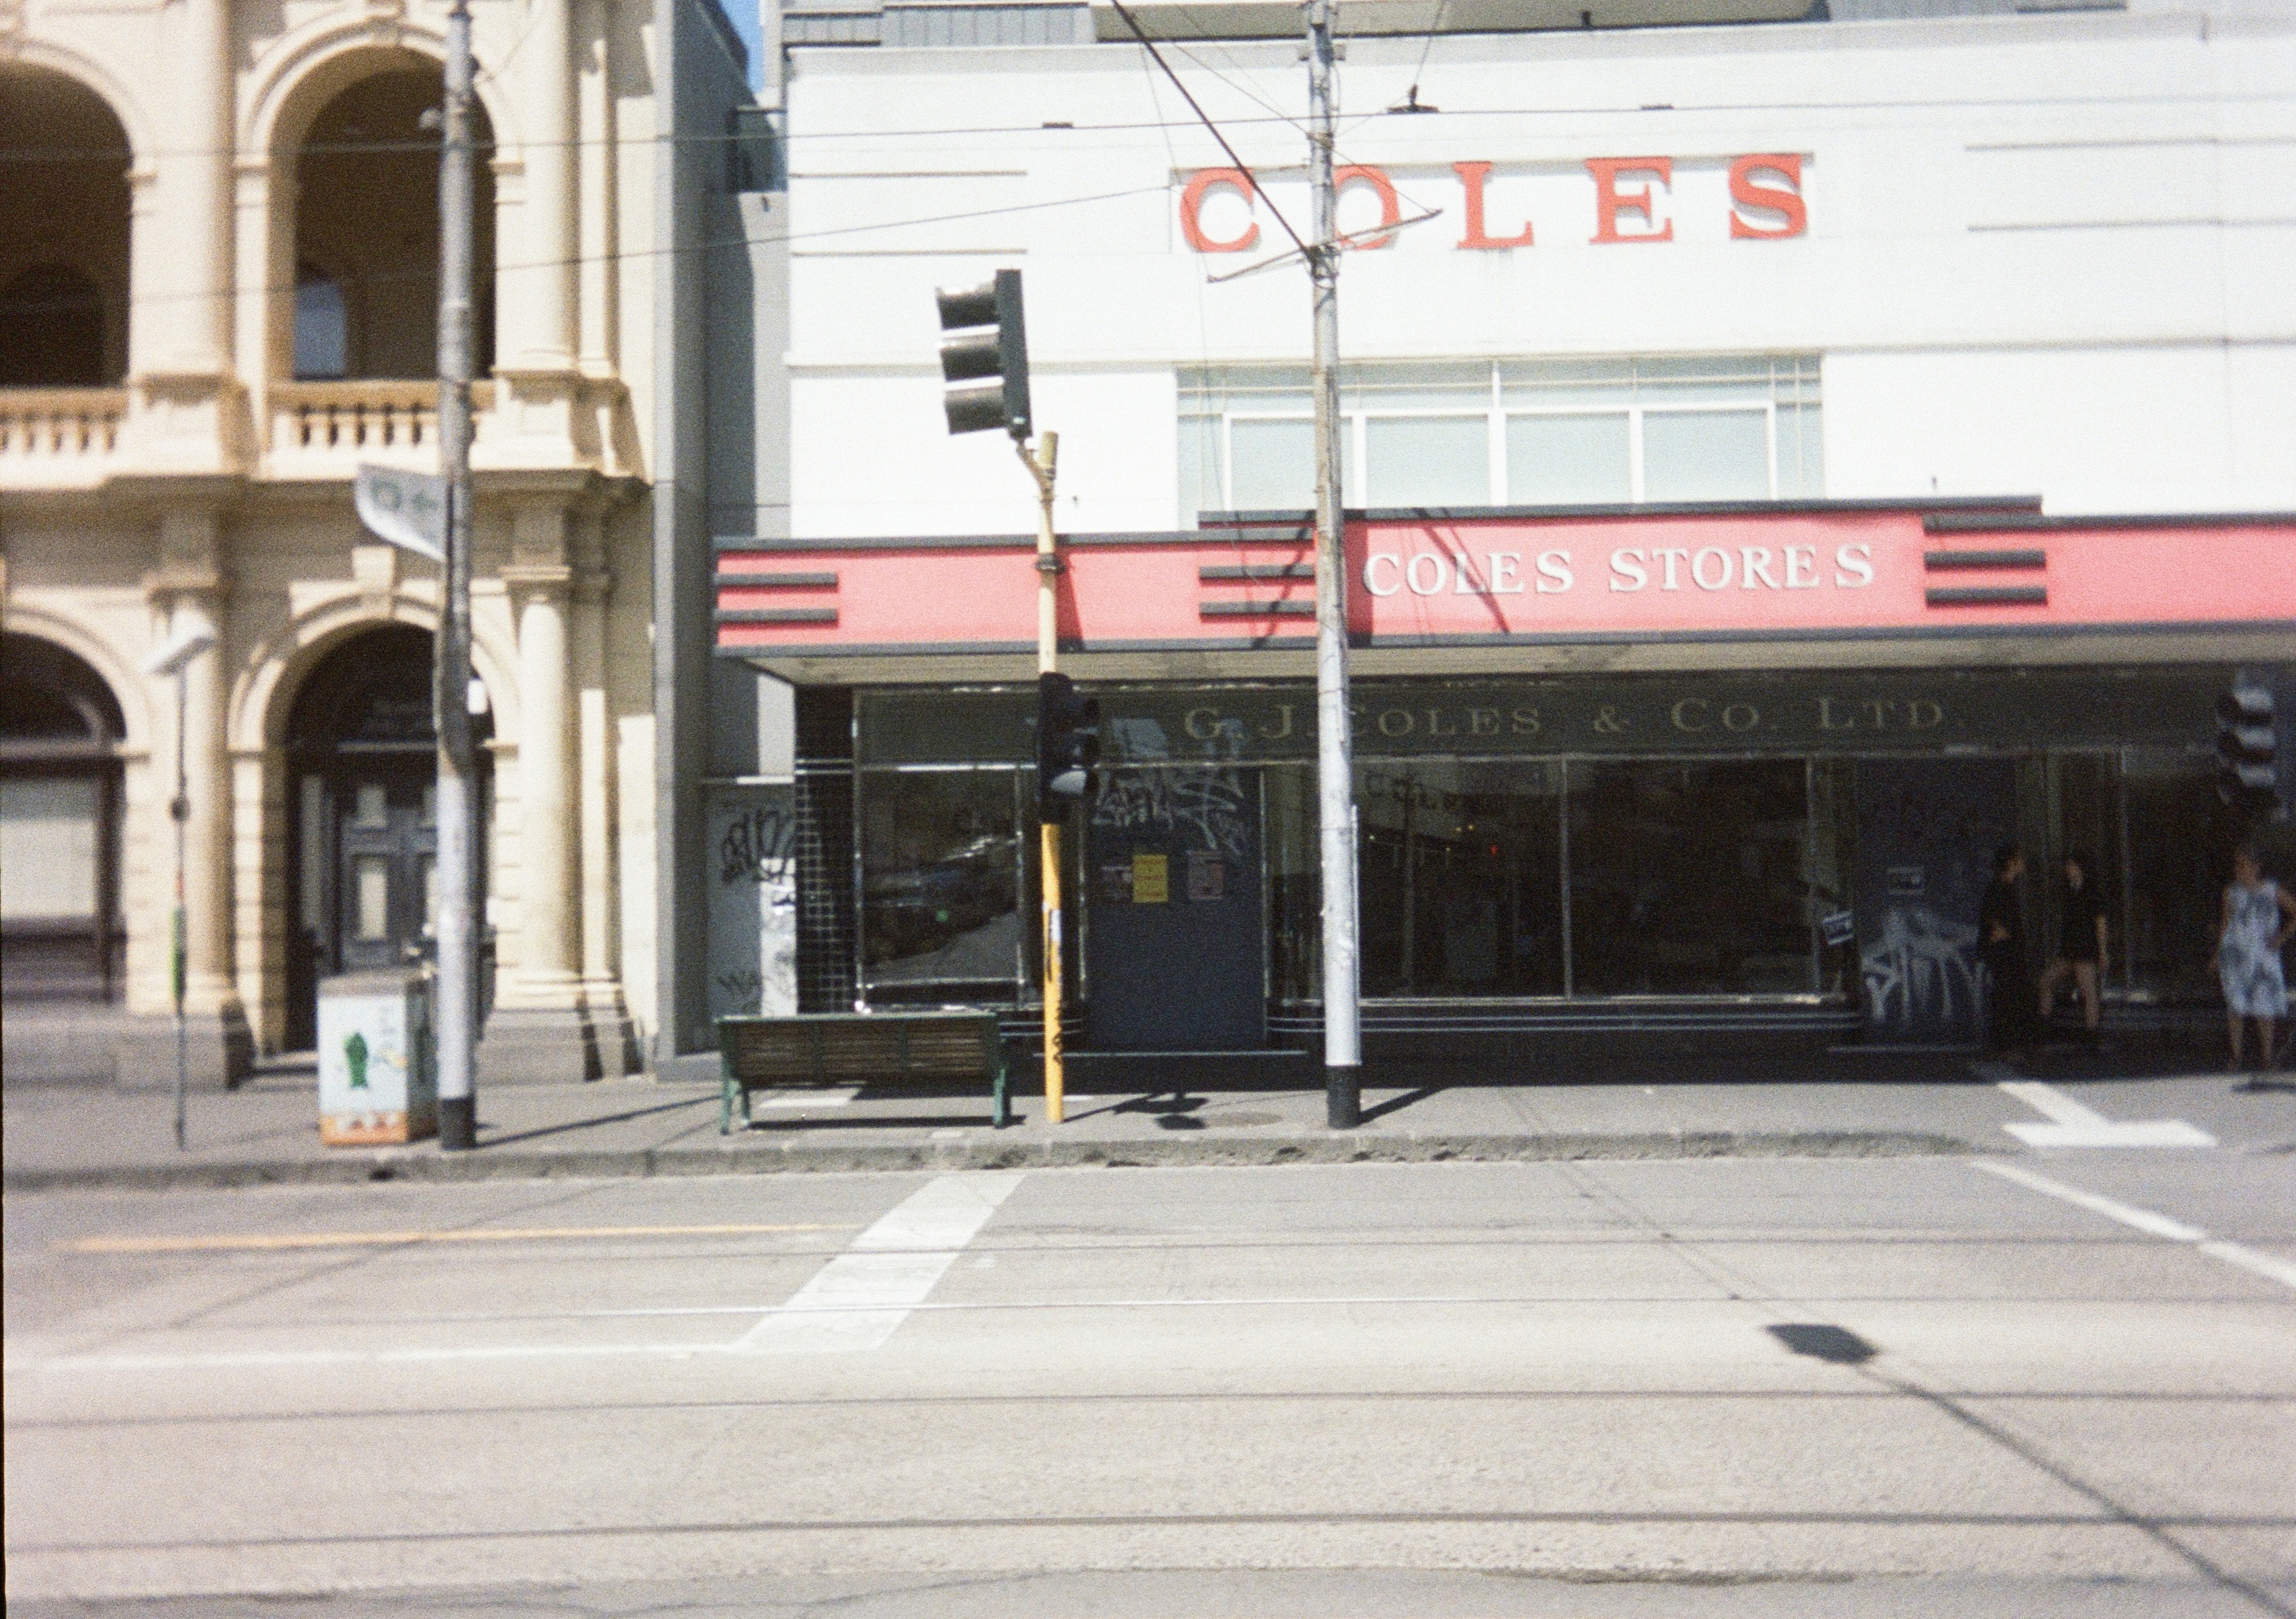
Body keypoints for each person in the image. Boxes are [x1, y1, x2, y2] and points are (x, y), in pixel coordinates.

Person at [2219, 846, 2295, 1079]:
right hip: (2236, 954)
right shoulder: (2231, 892)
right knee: (2236, 1007)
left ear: (2256, 867)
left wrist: (2282, 937)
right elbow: (2226, 924)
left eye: (2244, 865)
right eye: (2237, 865)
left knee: (2265, 1007)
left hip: (2263, 955)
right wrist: (2218, 953)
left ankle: (2267, 1057)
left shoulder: (2271, 890)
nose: (2239, 870)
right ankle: (2236, 1055)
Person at [2036, 849, 2108, 1043]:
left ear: (2080, 867)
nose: (2067, 869)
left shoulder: (2092, 890)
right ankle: (2044, 1025)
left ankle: (2091, 1036)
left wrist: (2102, 951)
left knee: (2088, 992)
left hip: (2084, 949)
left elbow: (2100, 922)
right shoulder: (2068, 890)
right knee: (2046, 982)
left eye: (2071, 865)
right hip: (2069, 949)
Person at [1979, 844, 2032, 1058]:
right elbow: (1994, 921)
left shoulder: (2002, 888)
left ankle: (2003, 1043)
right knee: (2007, 996)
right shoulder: (2001, 889)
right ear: (2011, 862)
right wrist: (2005, 932)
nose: (2023, 863)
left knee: (2005, 995)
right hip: (2006, 952)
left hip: (2005, 951)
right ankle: (2006, 1044)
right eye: (2019, 859)